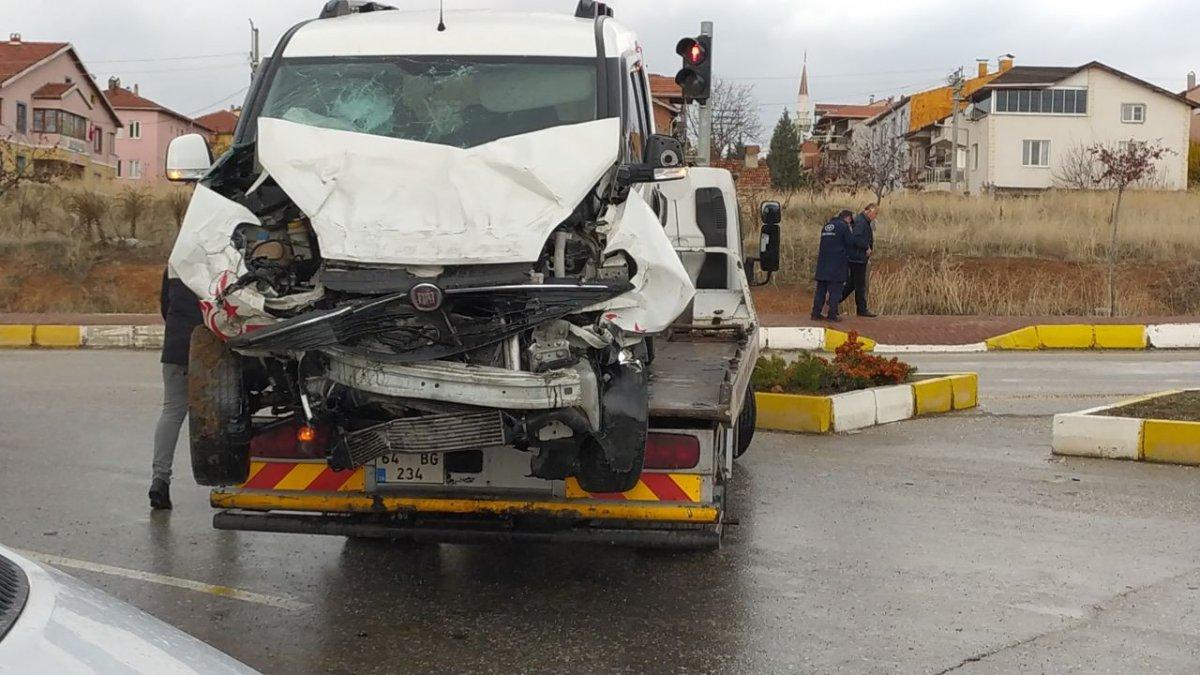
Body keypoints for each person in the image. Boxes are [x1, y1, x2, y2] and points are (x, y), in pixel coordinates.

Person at [149, 266, 203, 510]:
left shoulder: (175, 262)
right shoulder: (219, 255)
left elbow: (165, 304)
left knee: (171, 412)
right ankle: (226, 482)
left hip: (176, 347)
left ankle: (160, 479)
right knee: (222, 414)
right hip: (212, 348)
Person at [811, 210, 857, 322]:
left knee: (820, 290)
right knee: (835, 291)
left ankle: (815, 313)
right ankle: (832, 315)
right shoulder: (844, 226)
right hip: (837, 265)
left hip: (823, 264)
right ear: (849, 218)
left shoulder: (827, 226)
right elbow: (851, 242)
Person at [841, 203, 879, 317]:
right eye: (875, 213)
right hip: (857, 258)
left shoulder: (862, 221)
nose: (875, 216)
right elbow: (856, 238)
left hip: (858, 257)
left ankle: (835, 300)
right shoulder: (861, 222)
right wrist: (866, 247)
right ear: (869, 211)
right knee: (859, 284)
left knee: (853, 283)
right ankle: (861, 309)